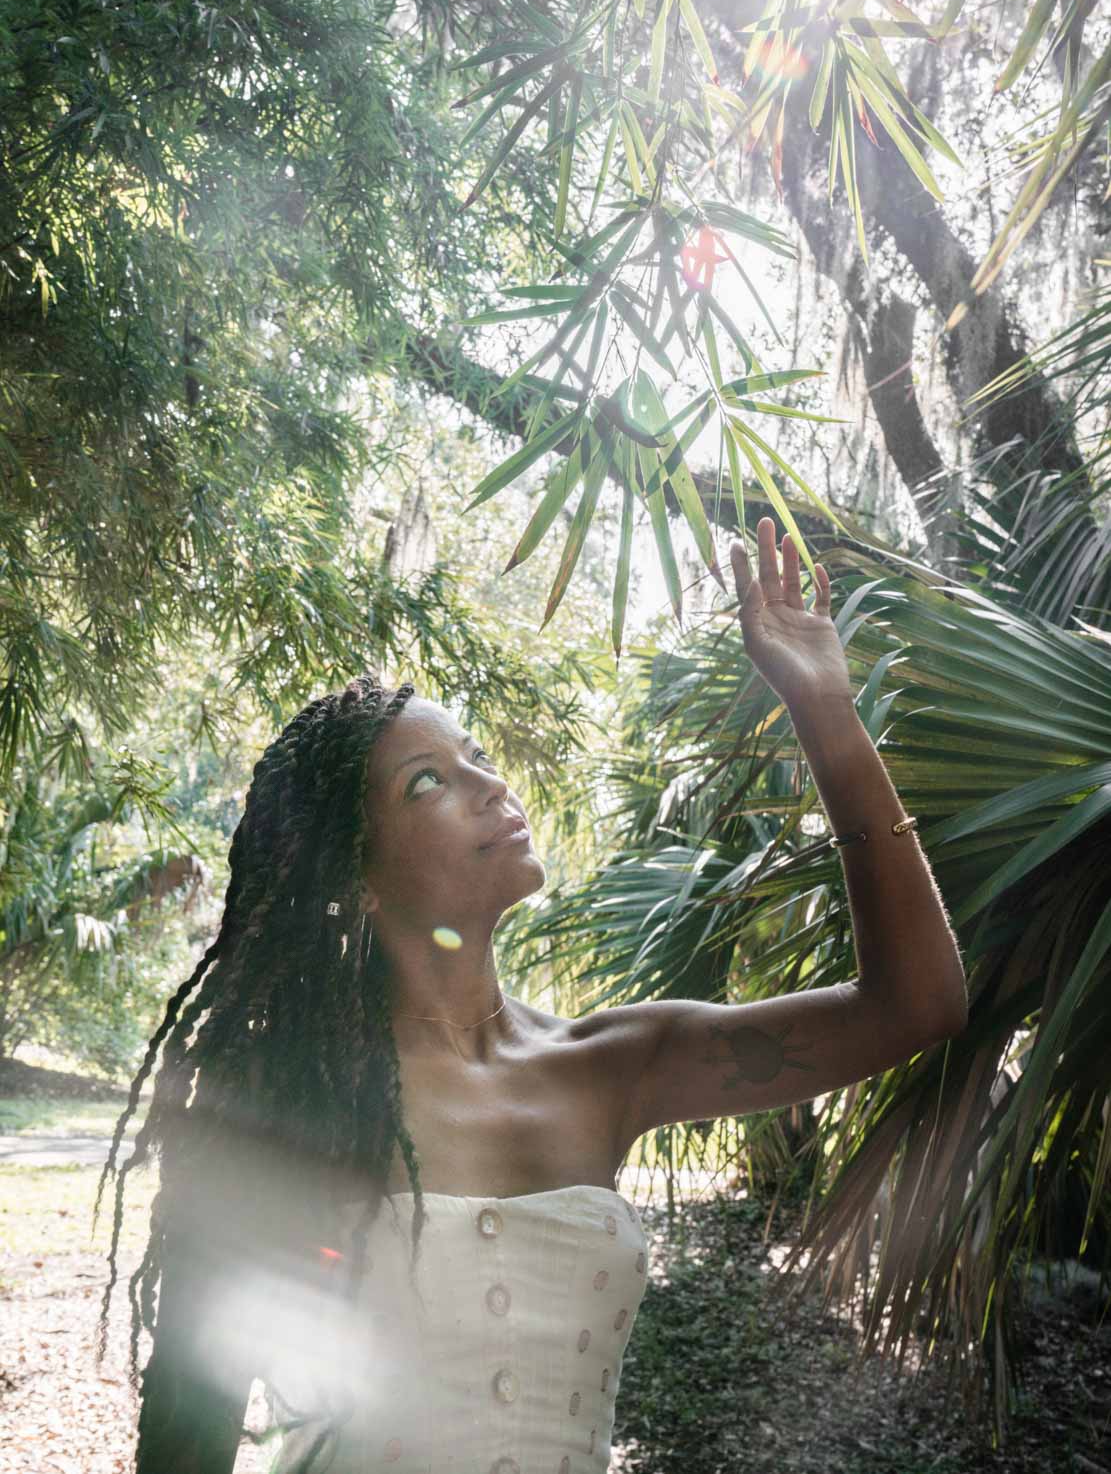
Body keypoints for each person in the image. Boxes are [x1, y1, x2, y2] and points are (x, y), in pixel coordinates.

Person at [100, 517, 967, 1474]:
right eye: (428, 782)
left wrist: (825, 711)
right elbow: (188, 1433)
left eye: (475, 756)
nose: (488, 785)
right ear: (354, 877)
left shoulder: (612, 1066)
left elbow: (915, 1005)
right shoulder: (293, 1098)